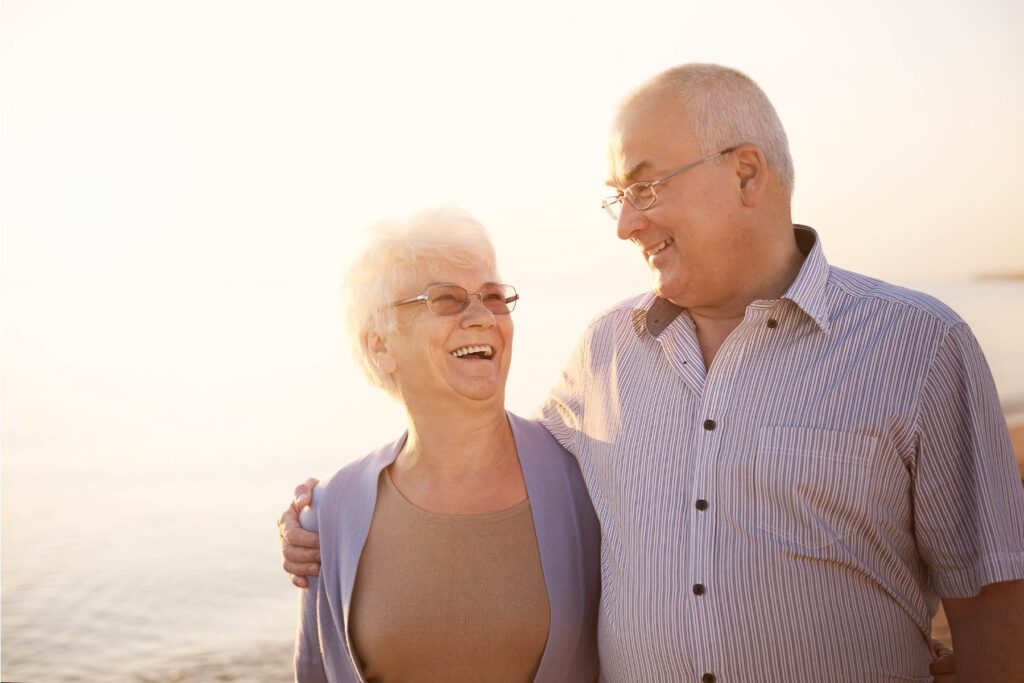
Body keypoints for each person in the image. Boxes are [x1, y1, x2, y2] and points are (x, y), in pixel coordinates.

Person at [281, 64, 1024, 681]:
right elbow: (491, 466)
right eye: (618, 196)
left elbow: (993, 604)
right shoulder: (604, 353)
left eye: (643, 186)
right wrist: (331, 516)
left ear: (745, 173)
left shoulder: (919, 347)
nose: (625, 223)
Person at [292, 205, 600, 682]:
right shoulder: (331, 513)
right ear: (381, 345)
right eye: (447, 300)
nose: (482, 317)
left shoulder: (587, 477)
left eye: (493, 297)